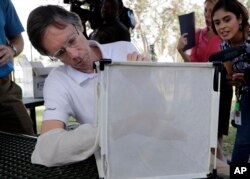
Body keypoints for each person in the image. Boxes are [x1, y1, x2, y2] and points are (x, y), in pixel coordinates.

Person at [26, 5, 147, 167]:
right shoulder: (58, 81)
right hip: (111, 163)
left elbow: (161, 110)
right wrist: (119, 127)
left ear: (80, 25)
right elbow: (47, 150)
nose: (74, 55)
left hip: (153, 148)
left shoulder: (125, 50)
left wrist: (146, 81)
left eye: (72, 40)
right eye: (60, 53)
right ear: (50, 56)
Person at [177, 0, 233, 162]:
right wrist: (181, 50)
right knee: (202, 131)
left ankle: (220, 167)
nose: (207, 16)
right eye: (205, 11)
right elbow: (192, 66)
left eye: (211, 11)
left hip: (221, 86)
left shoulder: (225, 33)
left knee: (216, 134)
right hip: (200, 88)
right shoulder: (198, 34)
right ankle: (218, 167)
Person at [211, 0, 250, 163]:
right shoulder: (224, 46)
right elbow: (232, 75)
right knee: (242, 142)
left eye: (227, 19)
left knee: (242, 142)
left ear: (240, 19)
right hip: (246, 95)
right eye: (217, 22)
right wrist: (235, 81)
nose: (222, 27)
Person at [0, 0, 34, 135]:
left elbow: (18, 39)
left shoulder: (3, 2)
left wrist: (11, 50)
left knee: (27, 139)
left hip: (4, 88)